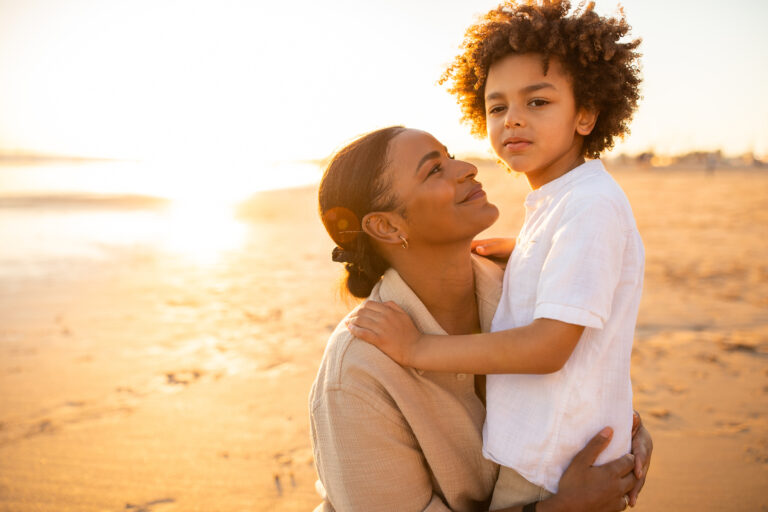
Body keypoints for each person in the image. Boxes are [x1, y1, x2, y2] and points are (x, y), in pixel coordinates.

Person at [347, 1, 645, 509]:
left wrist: (419, 350)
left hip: (553, 461)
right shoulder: (561, 204)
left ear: (587, 114)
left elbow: (547, 348)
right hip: (549, 445)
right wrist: (527, 250)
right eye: (497, 107)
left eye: (538, 103)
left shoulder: (588, 207)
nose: (513, 121)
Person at [310, 126, 652, 512]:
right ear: (387, 226)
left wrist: (623, 431)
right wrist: (564, 508)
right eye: (434, 170)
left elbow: (580, 378)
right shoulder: (356, 373)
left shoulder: (520, 281)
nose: (468, 167)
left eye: (450, 155)